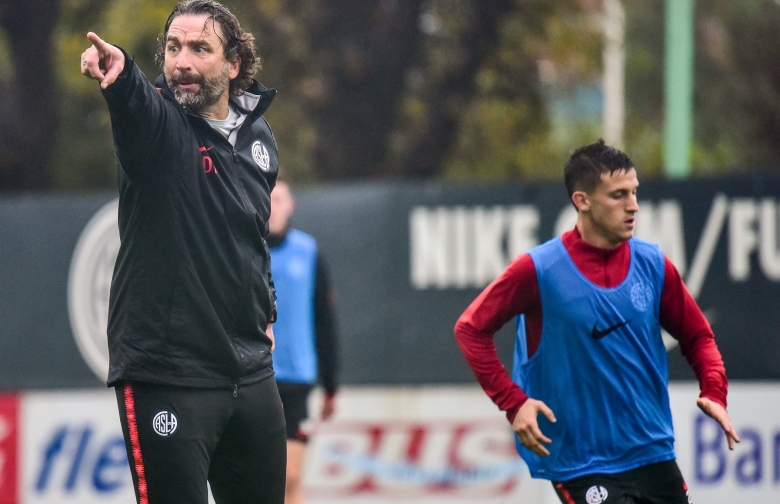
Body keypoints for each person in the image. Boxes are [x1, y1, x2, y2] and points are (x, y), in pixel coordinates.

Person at [454, 140, 739, 504]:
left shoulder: (652, 264)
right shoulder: (539, 270)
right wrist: (514, 402)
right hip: (582, 463)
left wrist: (714, 390)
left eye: (634, 193)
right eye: (618, 195)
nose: (633, 205)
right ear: (582, 201)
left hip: (653, 454)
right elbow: (470, 329)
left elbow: (698, 336)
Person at [80, 1, 286, 502]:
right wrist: (120, 72)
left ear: (234, 64)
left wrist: (267, 311)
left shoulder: (259, 138)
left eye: (199, 48)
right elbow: (136, 102)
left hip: (249, 372)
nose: (182, 62)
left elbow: (252, 238)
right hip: (167, 374)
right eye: (173, 48)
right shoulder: (157, 123)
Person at [267, 180, 339, 504]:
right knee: (262, 478)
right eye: (265, 197)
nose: (271, 205)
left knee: (290, 477)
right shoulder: (245, 250)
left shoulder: (308, 252)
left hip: (296, 380)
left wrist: (331, 385)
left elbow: (324, 321)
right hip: (255, 377)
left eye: (278, 197)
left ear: (290, 205)